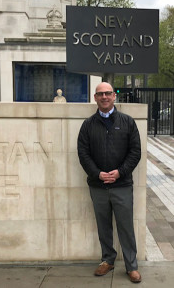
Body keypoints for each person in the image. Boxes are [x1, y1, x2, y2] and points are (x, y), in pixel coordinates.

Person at [77, 82, 142, 283]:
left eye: (108, 93)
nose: (104, 97)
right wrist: (98, 174)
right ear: (95, 98)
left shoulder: (128, 122)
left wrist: (120, 172)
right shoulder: (88, 125)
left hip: (122, 185)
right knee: (103, 225)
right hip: (98, 186)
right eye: (100, 94)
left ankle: (132, 266)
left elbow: (135, 152)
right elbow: (83, 153)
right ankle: (107, 260)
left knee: (126, 226)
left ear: (114, 96)